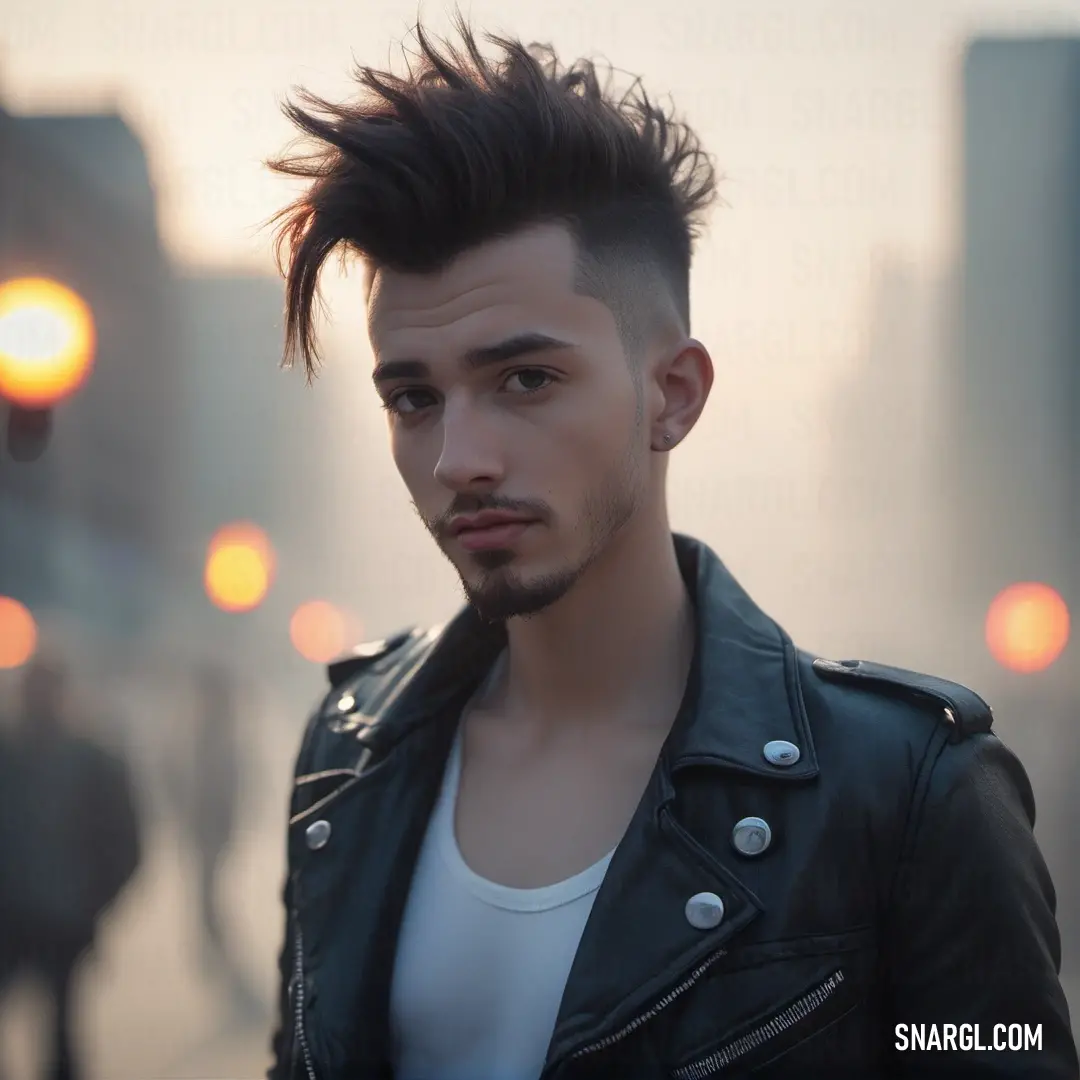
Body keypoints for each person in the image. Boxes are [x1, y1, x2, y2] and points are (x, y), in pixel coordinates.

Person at [263, 16, 1078, 1080]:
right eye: (413, 397)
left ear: (674, 394)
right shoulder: (347, 753)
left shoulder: (911, 794)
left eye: (526, 380)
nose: (457, 456)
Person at [0, 657, 142, 1080]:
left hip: (65, 918)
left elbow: (126, 844)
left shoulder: (94, 760)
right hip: (12, 915)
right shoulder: (9, 755)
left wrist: (95, 902)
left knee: (62, 1030)